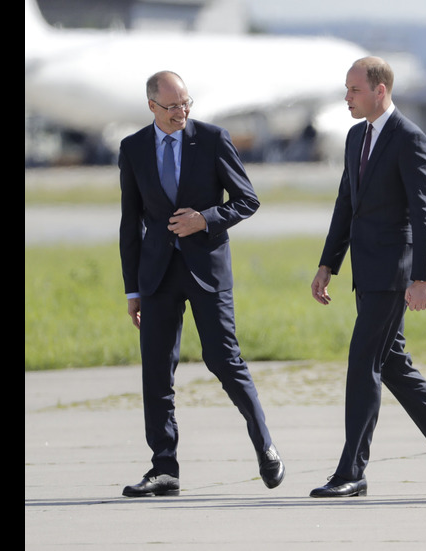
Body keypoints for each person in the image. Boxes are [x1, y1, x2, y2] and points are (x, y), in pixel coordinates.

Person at [309, 56, 426, 498]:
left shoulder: (410, 139)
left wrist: (423, 277)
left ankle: (351, 472)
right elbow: (347, 203)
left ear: (380, 90)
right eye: (347, 90)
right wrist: (329, 263)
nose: (347, 97)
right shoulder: (354, 137)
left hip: (395, 273)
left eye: (354, 90)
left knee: (363, 363)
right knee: (394, 364)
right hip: (365, 271)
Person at [118, 70, 284, 497]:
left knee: (224, 361)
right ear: (152, 106)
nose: (181, 112)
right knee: (156, 371)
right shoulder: (133, 148)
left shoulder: (212, 139)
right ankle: (164, 468)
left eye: (186, 103)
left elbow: (247, 199)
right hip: (156, 275)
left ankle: (265, 445)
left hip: (206, 271)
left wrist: (204, 220)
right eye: (172, 106)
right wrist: (132, 289)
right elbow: (129, 223)